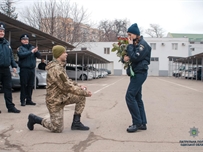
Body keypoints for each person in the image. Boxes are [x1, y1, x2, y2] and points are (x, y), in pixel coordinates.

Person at [27, 45, 92, 133]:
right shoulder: (55, 69)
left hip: (63, 96)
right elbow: (65, 86)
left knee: (80, 97)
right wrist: (84, 92)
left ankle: (76, 123)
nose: (66, 54)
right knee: (57, 128)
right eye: (64, 52)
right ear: (59, 55)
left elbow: (67, 81)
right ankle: (35, 119)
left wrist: (78, 86)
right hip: (54, 101)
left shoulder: (60, 66)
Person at [123, 23, 151, 133]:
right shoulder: (136, 44)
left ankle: (136, 123)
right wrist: (124, 58)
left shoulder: (143, 45)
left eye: (130, 34)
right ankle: (142, 123)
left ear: (136, 34)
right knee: (137, 98)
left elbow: (135, 57)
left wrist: (130, 45)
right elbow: (130, 56)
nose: (128, 37)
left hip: (140, 73)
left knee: (129, 96)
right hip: (136, 72)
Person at [0, 22, 21, 113]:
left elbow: (11, 56)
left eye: (3, 31)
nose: (1, 33)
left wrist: (14, 65)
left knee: (8, 88)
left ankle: (10, 107)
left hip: (5, 69)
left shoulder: (7, 44)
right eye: (0, 31)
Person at [17, 34, 41, 106]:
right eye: (24, 39)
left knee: (30, 85)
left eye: (27, 39)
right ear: (21, 41)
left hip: (31, 69)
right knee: (24, 85)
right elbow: (21, 55)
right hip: (24, 69)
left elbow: (39, 55)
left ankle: (29, 99)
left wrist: (36, 51)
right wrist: (31, 52)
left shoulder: (32, 47)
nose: (25, 41)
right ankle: (22, 100)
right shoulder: (20, 48)